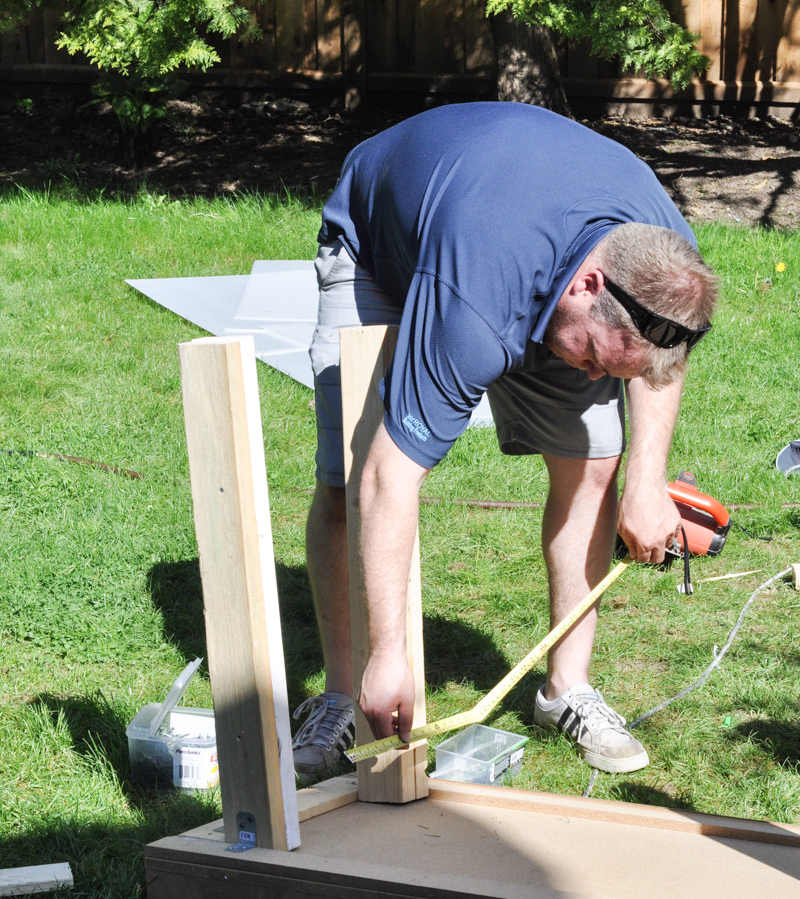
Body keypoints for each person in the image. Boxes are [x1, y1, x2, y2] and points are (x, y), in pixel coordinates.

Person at [291, 102, 717, 779]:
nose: (601, 378)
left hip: (522, 246)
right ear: (588, 285)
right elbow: (388, 477)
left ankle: (568, 689)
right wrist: (389, 652)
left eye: (615, 370)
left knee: (593, 469)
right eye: (600, 360)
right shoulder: (473, 303)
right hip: (383, 246)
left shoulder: (662, 265)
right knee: (349, 478)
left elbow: (656, 363)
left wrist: (645, 479)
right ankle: (346, 693)